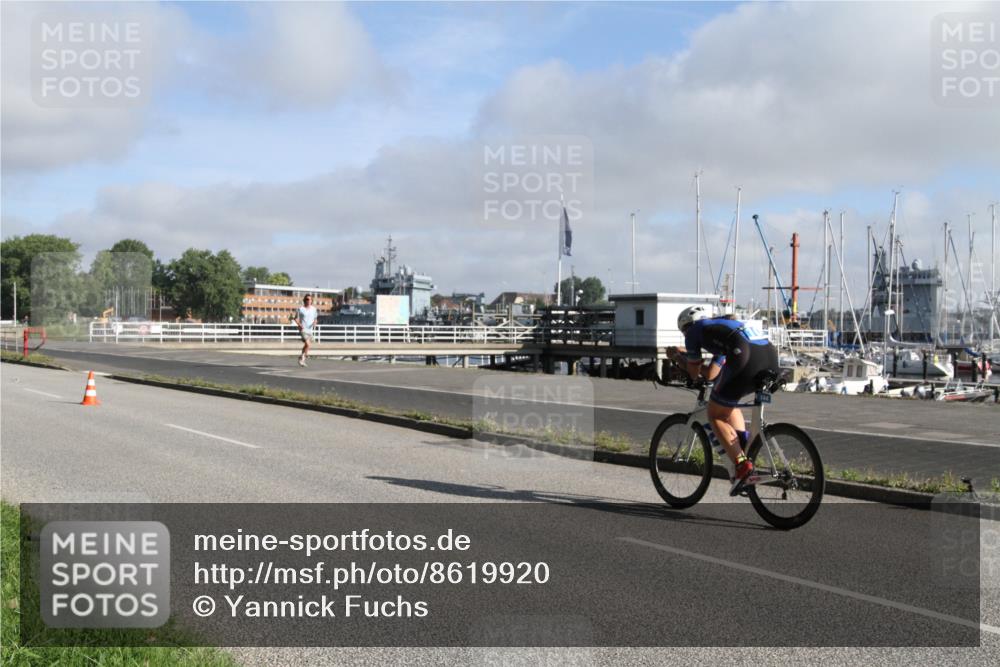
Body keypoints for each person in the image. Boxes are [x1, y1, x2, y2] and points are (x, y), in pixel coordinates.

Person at [666, 306, 779, 495]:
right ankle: (742, 450)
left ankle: (743, 467)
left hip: (746, 357)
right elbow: (713, 372)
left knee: (715, 414)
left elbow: (694, 373)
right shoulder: (721, 328)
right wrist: (687, 355)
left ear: (686, 326)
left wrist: (678, 357)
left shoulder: (693, 331)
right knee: (728, 402)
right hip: (769, 356)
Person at [292, 294, 317, 367]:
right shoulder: (301, 309)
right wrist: (299, 324)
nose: (308, 301)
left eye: (309, 299)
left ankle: (302, 357)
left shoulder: (314, 309)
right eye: (306, 299)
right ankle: (302, 358)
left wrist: (315, 322)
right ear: (304, 300)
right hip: (303, 329)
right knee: (308, 344)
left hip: (310, 330)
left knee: (307, 345)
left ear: (311, 301)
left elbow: (315, 318)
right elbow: (295, 318)